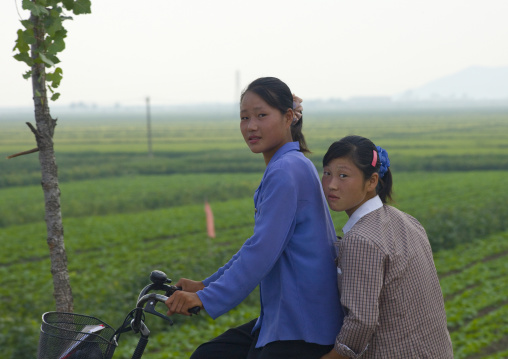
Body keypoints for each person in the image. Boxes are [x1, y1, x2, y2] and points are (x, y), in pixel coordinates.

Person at [165, 77, 344, 359]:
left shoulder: (286, 171)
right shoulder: (292, 164)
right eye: (244, 117)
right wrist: (205, 285)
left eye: (262, 116)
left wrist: (205, 297)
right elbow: (258, 244)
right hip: (286, 317)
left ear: (288, 117)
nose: (251, 126)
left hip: (302, 325)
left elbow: (261, 253)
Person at [319, 135, 453, 359]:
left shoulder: (361, 239)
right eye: (327, 173)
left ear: (371, 182)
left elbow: (360, 322)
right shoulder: (407, 220)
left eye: (343, 175)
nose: (332, 184)